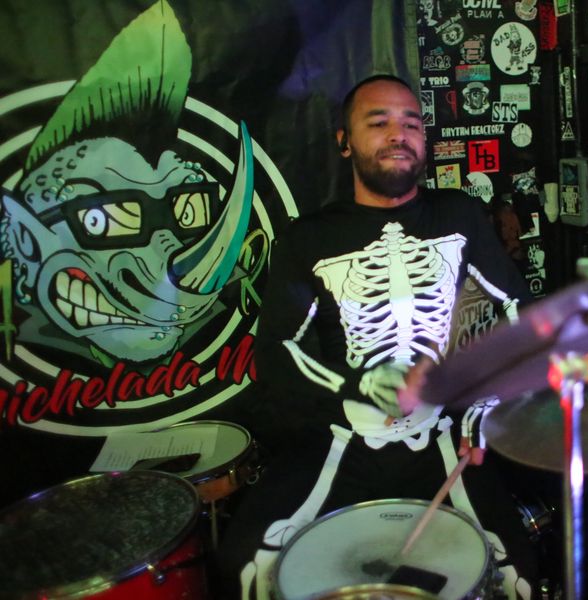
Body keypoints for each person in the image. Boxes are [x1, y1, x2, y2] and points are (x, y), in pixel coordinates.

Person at [217, 75, 535, 599]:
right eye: (378, 121)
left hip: (442, 433)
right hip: (343, 437)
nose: (398, 134)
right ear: (344, 142)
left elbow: (520, 311)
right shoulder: (308, 239)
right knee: (244, 565)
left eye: (411, 123)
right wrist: (357, 386)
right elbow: (276, 352)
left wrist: (487, 402)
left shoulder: (457, 215)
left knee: (517, 573)